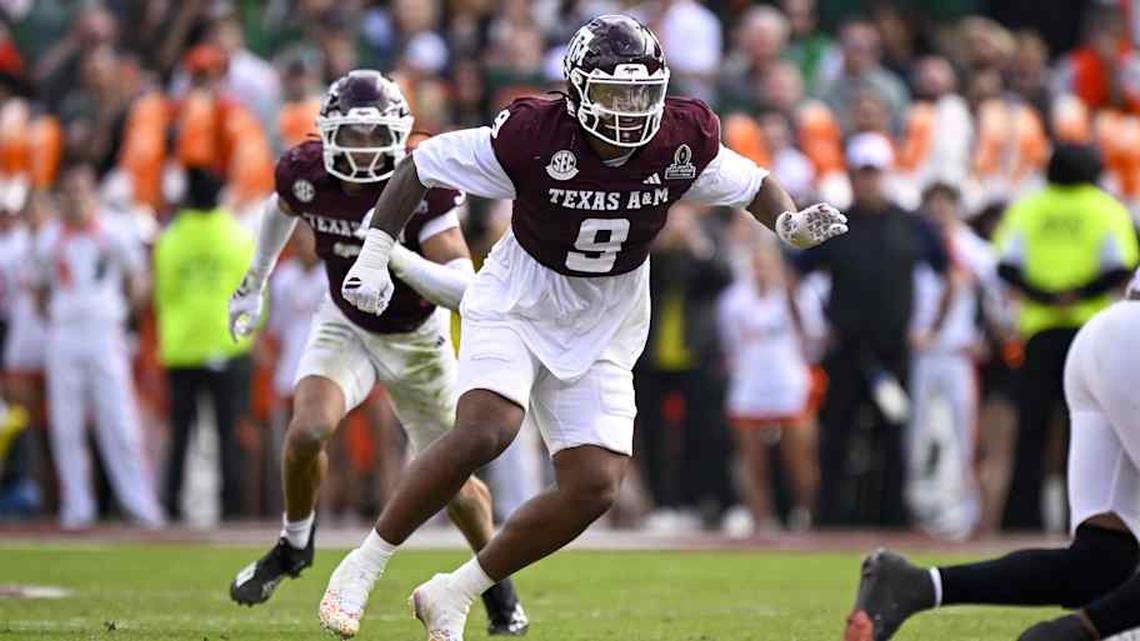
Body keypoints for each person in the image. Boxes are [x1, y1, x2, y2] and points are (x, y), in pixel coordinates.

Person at [325, 14, 846, 640]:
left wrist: (787, 225)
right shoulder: (531, 134)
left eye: (641, 93)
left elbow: (754, 184)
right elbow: (420, 166)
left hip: (609, 311)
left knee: (595, 484)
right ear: (574, 90)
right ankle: (363, 564)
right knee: (489, 428)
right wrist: (375, 254)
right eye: (612, 93)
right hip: (522, 293)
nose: (629, 109)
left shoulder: (683, 137)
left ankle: (453, 593)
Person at [224, 70, 527, 636]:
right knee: (306, 431)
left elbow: (467, 289)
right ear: (327, 134)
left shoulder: (423, 179)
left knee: (455, 482)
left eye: (374, 135)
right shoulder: (307, 170)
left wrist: (393, 259)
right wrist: (253, 282)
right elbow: (279, 211)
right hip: (345, 322)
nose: (363, 149)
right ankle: (294, 545)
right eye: (352, 135)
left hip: (418, 338)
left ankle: (497, 586)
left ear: (399, 134)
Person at [844, 270, 1140, 641]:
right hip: (1130, 344)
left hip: (1107, 334)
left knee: (1102, 561)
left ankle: (917, 585)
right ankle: (1074, 633)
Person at [793, 132, 949, 528]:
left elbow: (949, 274)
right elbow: (794, 272)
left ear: (887, 173)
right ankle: (829, 519)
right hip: (846, 348)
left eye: (874, 172)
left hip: (893, 349)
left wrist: (931, 328)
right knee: (838, 434)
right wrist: (810, 329)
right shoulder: (835, 223)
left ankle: (892, 517)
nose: (868, 180)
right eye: (862, 173)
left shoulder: (912, 225)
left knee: (894, 436)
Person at [996, 144, 1139, 530]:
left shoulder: (1028, 206)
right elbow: (1121, 266)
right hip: (1091, 331)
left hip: (1039, 329)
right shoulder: (1104, 207)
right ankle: (1087, 522)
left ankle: (1020, 518)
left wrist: (1046, 296)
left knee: (1032, 430)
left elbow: (1006, 265)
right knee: (1088, 429)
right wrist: (1077, 295)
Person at [35, 161, 162, 530]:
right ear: (61, 198)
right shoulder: (49, 238)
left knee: (119, 420)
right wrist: (62, 314)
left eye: (81, 192)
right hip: (65, 333)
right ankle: (77, 507)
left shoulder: (114, 231)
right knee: (66, 422)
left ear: (92, 195)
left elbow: (138, 278)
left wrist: (119, 316)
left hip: (104, 332)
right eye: (69, 193)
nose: (75, 200)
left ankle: (139, 504)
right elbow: (39, 289)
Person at [154, 168, 254, 522]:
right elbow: (256, 290)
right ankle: (232, 511)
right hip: (229, 347)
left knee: (181, 435)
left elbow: (163, 293)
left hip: (181, 350)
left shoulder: (170, 238)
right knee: (230, 434)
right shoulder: (237, 235)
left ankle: (171, 506)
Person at [717, 234, 818, 533]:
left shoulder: (796, 296)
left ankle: (804, 511)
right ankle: (762, 517)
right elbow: (730, 344)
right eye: (756, 264)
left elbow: (813, 337)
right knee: (751, 458)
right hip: (749, 384)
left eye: (767, 264)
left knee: (798, 454)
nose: (761, 270)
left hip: (788, 383)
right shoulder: (734, 301)